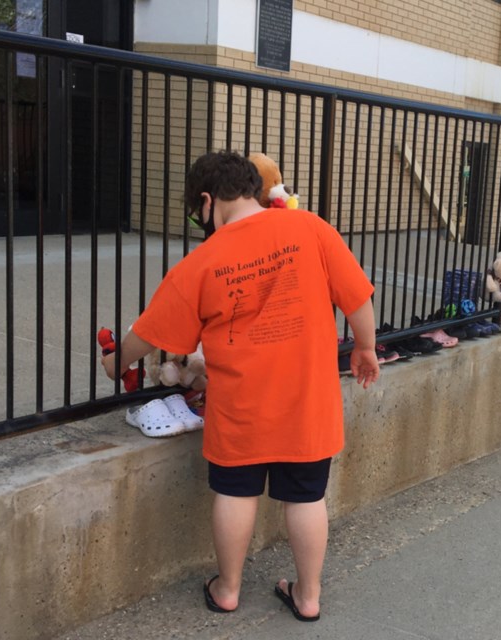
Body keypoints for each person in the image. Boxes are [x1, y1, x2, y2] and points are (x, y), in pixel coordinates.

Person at [101, 150, 380, 622]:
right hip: (307, 401)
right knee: (307, 497)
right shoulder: (311, 228)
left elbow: (148, 333)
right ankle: (308, 597)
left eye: (197, 214)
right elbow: (356, 297)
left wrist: (115, 362)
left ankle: (227, 588)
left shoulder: (202, 263)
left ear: (207, 201)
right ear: (252, 189)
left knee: (235, 494)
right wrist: (366, 348)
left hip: (241, 406)